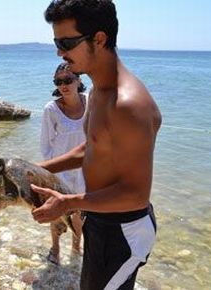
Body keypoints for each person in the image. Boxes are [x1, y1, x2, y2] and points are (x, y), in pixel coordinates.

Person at [31, 1, 162, 289]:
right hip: (100, 219)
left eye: (66, 42)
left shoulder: (128, 104)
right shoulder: (97, 90)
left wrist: (68, 202)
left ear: (99, 39)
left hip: (124, 231)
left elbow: (136, 195)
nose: (59, 52)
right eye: (56, 42)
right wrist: (34, 169)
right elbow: (90, 148)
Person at [40, 62, 88, 262]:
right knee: (58, 210)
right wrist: (50, 173)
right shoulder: (51, 109)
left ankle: (76, 248)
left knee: (80, 210)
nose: (63, 85)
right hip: (61, 169)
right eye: (58, 82)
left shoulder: (91, 101)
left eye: (68, 80)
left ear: (79, 80)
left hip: (86, 169)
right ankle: (56, 248)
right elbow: (46, 145)